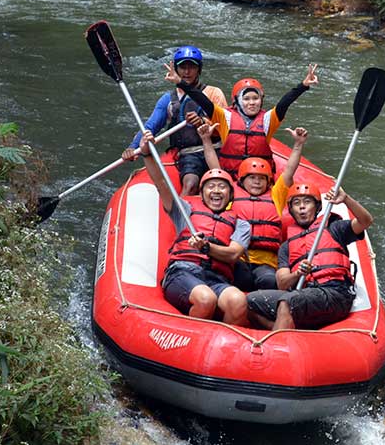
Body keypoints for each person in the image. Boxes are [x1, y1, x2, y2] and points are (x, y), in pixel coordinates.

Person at [139, 129, 249, 326]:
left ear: (231, 196)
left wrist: (206, 247)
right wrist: (147, 153)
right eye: (211, 186)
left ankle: (222, 349)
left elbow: (233, 254)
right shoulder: (186, 209)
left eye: (222, 187)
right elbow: (161, 183)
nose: (216, 190)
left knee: (238, 301)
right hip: (183, 272)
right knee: (206, 299)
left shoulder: (241, 224)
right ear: (202, 192)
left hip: (217, 278)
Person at [196, 122, 309, 291]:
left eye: (261, 178)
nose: (257, 182)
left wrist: (298, 144)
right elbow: (215, 169)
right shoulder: (231, 192)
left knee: (269, 281)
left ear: (268, 181)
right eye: (252, 178)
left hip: (266, 262)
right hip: (237, 259)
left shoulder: (275, 195)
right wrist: (206, 140)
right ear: (242, 180)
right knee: (235, 279)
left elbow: (289, 172)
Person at [246, 182, 374, 330]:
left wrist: (346, 199)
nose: (302, 207)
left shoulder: (335, 227)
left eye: (307, 202)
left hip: (336, 293)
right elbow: (282, 283)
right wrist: (297, 273)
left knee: (288, 302)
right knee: (249, 301)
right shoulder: (286, 247)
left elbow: (366, 221)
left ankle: (280, 342)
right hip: (305, 294)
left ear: (317, 207)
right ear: (291, 210)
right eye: (296, 203)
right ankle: (285, 330)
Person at [163, 62, 318, 177]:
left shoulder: (268, 119)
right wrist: (180, 82)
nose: (252, 103)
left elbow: (285, 102)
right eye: (247, 98)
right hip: (231, 177)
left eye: (255, 98)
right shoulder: (225, 117)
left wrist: (303, 86)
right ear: (237, 101)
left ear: (261, 100)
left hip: (259, 177)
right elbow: (201, 99)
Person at [123, 45, 228, 196]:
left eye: (191, 67)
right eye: (182, 67)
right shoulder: (168, 100)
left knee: (225, 183)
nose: (186, 72)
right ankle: (181, 217)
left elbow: (223, 127)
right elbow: (151, 126)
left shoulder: (214, 93)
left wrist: (202, 122)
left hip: (215, 149)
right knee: (190, 183)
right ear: (176, 69)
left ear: (199, 69)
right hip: (189, 153)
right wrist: (133, 148)